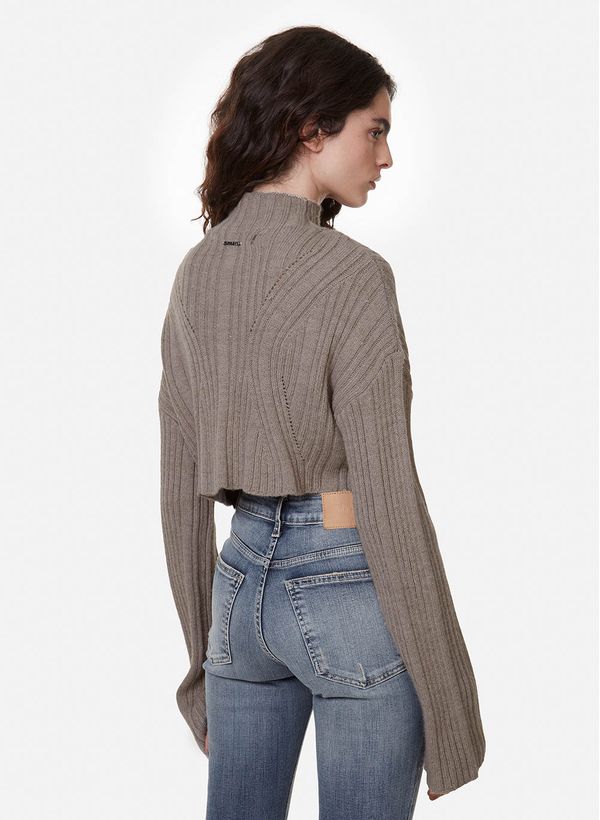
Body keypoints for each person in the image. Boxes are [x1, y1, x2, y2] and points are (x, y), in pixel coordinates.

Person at [158, 24, 485, 820]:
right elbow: (387, 495)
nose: (386, 156)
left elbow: (177, 489)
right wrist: (451, 710)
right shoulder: (354, 276)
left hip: (238, 591)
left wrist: (201, 663)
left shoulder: (198, 271)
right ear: (312, 130)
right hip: (344, 582)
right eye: (374, 131)